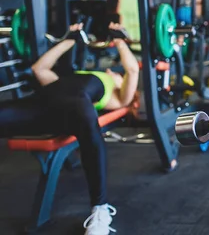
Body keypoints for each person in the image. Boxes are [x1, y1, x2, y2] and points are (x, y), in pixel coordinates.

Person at [0, 22, 139, 235]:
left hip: (76, 108)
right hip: (42, 107)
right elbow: (40, 68)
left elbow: (131, 68)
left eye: (116, 73)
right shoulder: (67, 80)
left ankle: (100, 211)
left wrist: (119, 41)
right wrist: (69, 40)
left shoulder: (116, 95)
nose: (111, 70)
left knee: (88, 124)